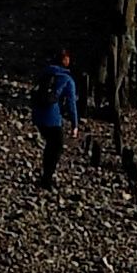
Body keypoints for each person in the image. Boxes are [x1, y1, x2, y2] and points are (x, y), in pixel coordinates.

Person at [33, 50, 81, 189]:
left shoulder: (45, 73)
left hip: (38, 114)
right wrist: (74, 124)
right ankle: (47, 178)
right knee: (57, 146)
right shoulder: (67, 79)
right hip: (52, 116)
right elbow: (72, 103)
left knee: (50, 145)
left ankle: (45, 176)